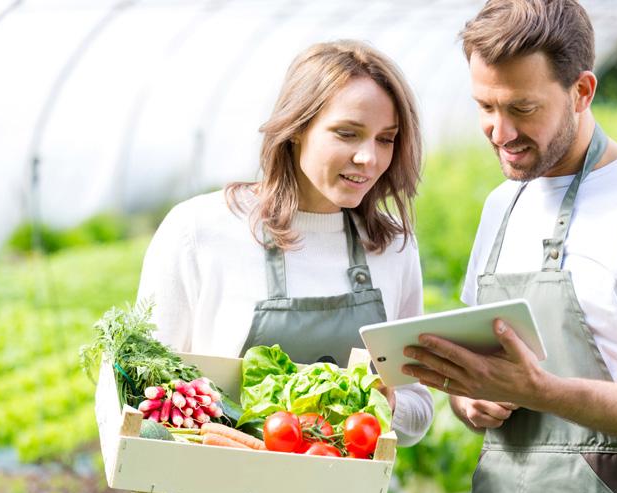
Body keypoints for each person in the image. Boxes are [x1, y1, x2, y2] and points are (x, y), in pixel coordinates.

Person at [401, 1, 617, 493]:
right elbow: (478, 373)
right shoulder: (502, 206)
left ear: (581, 92)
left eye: (522, 108)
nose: (500, 132)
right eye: (485, 107)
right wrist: (471, 401)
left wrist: (543, 393)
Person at [137, 40, 433, 451]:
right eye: (347, 133)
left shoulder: (392, 246)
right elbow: (142, 388)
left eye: (386, 139)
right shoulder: (200, 231)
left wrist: (388, 404)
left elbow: (419, 406)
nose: (369, 157)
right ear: (296, 129)